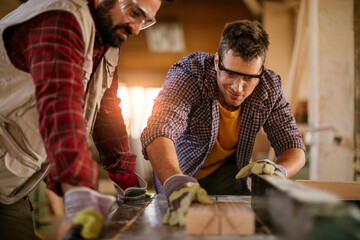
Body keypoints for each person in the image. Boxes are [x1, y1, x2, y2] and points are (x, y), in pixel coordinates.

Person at [0, 0, 173, 239]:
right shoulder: (59, 19)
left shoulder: (108, 37)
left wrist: (127, 180)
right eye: (134, 13)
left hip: (11, 178)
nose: (136, 29)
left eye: (145, 21)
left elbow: (107, 110)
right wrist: (80, 192)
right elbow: (60, 110)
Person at [140, 20, 306, 226]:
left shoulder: (269, 87)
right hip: (179, 171)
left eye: (248, 78)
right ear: (217, 62)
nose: (238, 87)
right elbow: (160, 128)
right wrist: (174, 180)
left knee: (234, 226)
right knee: (179, 228)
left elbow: (293, 146)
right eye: (230, 74)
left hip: (228, 174)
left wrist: (280, 171)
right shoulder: (190, 74)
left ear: (260, 72)